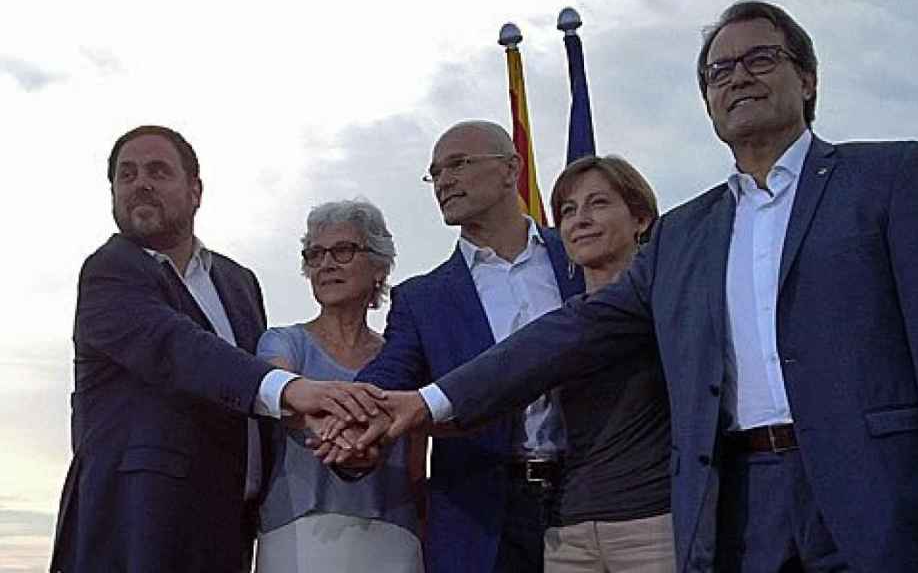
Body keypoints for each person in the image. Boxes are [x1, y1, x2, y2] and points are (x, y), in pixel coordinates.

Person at [363, 2, 918, 572]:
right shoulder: (686, 234)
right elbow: (566, 334)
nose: (739, 78)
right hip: (740, 505)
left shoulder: (888, 177)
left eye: (760, 58)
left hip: (874, 493)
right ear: (706, 102)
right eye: (719, 72)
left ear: (807, 78)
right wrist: (430, 404)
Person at [50, 125, 384, 572]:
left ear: (195, 191)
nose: (140, 183)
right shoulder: (109, 272)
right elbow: (180, 350)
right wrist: (294, 391)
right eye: (125, 175)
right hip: (137, 526)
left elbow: (247, 393)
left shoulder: (238, 282)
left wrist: (335, 438)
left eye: (157, 171)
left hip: (229, 526)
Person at [350, 120, 585, 573]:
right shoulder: (423, 298)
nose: (444, 181)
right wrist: (348, 412)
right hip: (482, 519)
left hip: (594, 499)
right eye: (435, 173)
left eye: (458, 164)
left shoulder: (577, 258)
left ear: (510, 168)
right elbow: (390, 374)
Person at [254, 199, 424, 572]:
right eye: (315, 255)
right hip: (299, 537)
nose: (326, 264)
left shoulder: (404, 357)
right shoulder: (282, 342)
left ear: (379, 265)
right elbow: (280, 397)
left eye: (342, 251)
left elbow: (416, 462)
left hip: (395, 538)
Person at [543, 155, 674, 572]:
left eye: (598, 203)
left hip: (655, 528)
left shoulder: (671, 308)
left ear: (640, 219)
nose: (580, 219)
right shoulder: (556, 325)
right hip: (567, 535)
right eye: (568, 210)